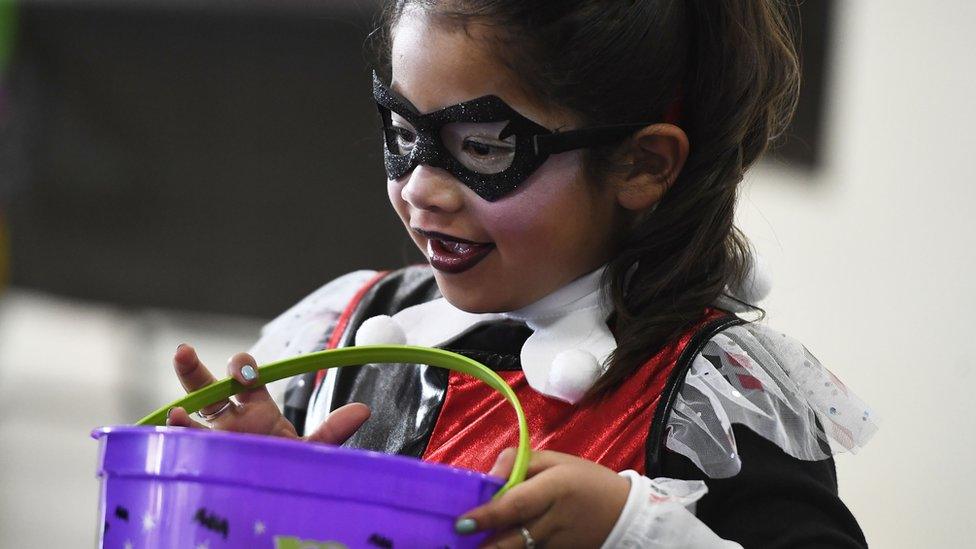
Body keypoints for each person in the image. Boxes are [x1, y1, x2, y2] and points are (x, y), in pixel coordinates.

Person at [167, 1, 878, 546]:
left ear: (642, 164)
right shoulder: (350, 331)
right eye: (405, 135)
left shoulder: (709, 406)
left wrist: (631, 531)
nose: (420, 188)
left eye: (481, 147)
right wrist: (268, 499)